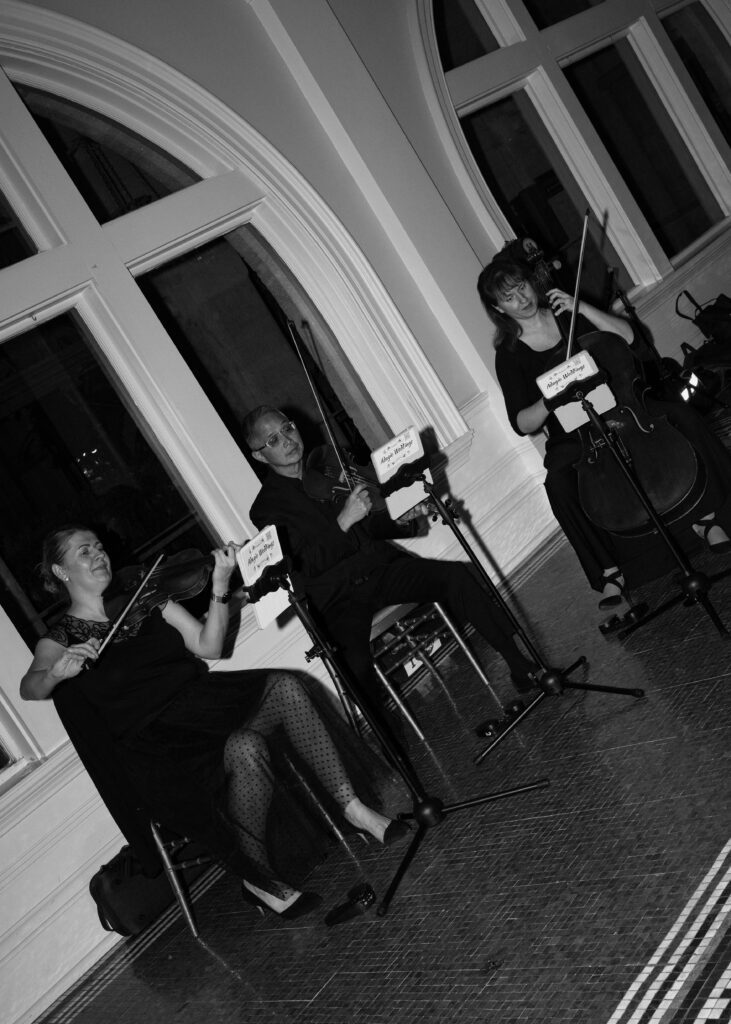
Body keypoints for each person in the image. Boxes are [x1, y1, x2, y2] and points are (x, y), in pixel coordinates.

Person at [20, 525, 409, 919]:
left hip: (203, 704)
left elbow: (209, 646)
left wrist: (220, 584)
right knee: (246, 749)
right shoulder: (61, 638)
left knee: (285, 687)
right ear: (61, 571)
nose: (99, 555)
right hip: (157, 746)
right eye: (84, 551)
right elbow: (30, 687)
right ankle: (260, 880)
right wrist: (57, 672)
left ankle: (353, 808)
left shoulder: (144, 596)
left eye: (99, 546)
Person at [244, 406, 540, 723]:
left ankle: (520, 665)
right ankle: (391, 741)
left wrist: (401, 519)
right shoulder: (267, 509)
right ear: (259, 455)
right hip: (337, 600)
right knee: (354, 665)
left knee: (456, 575)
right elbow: (301, 567)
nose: (287, 440)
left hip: (380, 570)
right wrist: (342, 523)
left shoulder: (327, 468)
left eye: (287, 428)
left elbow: (368, 526)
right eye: (273, 439)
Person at [476, 256, 731, 611]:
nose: (521, 299)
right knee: (559, 485)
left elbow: (631, 338)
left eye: (522, 287)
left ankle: (709, 517)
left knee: (681, 416)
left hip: (623, 406)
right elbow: (523, 423)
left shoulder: (569, 314)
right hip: (574, 432)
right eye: (509, 297)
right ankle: (610, 572)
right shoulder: (509, 354)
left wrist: (582, 308)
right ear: (497, 308)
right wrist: (551, 397)